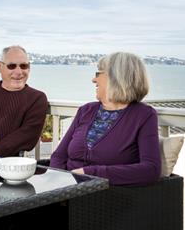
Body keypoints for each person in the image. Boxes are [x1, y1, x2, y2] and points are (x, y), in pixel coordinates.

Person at [49, 52, 160, 186]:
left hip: (105, 197)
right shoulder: (86, 110)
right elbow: (59, 156)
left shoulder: (143, 115)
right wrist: (57, 184)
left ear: (116, 78)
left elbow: (150, 170)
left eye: (98, 74)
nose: (93, 80)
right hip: (65, 191)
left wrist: (92, 173)